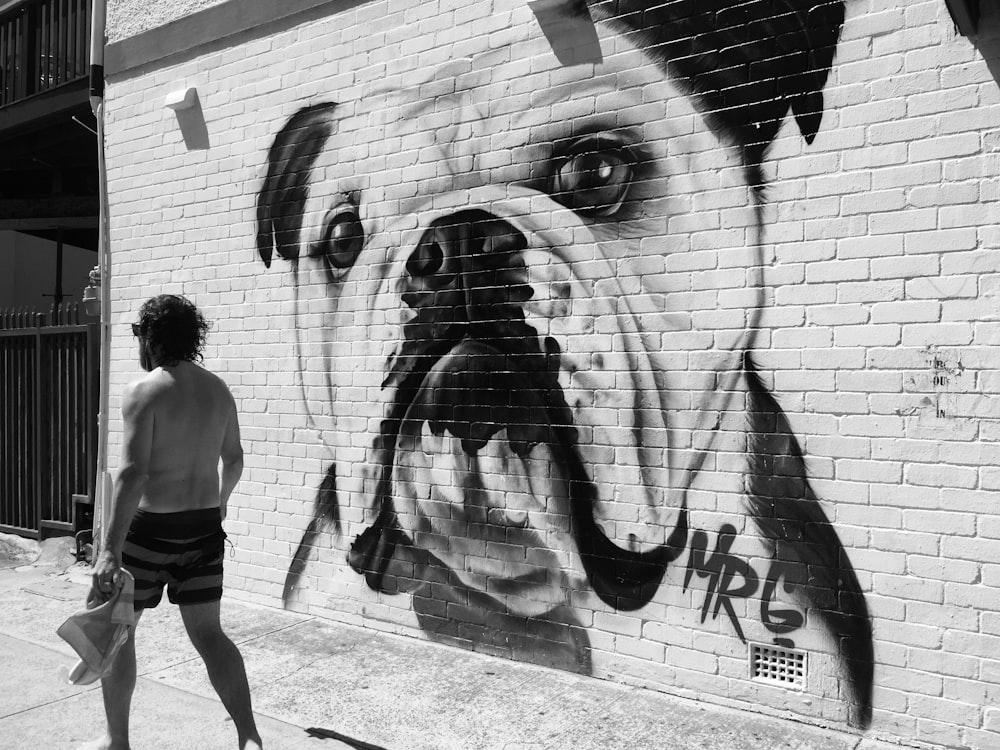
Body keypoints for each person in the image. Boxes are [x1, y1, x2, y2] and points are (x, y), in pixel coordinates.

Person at [83, 294, 262, 750]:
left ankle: (116, 741)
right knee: (209, 635)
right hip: (203, 529)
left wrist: (108, 549)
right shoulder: (218, 390)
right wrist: (219, 505)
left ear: (151, 336)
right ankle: (249, 737)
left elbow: (133, 473)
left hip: (150, 533)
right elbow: (235, 459)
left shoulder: (144, 391)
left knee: (119, 633)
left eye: (139, 334)